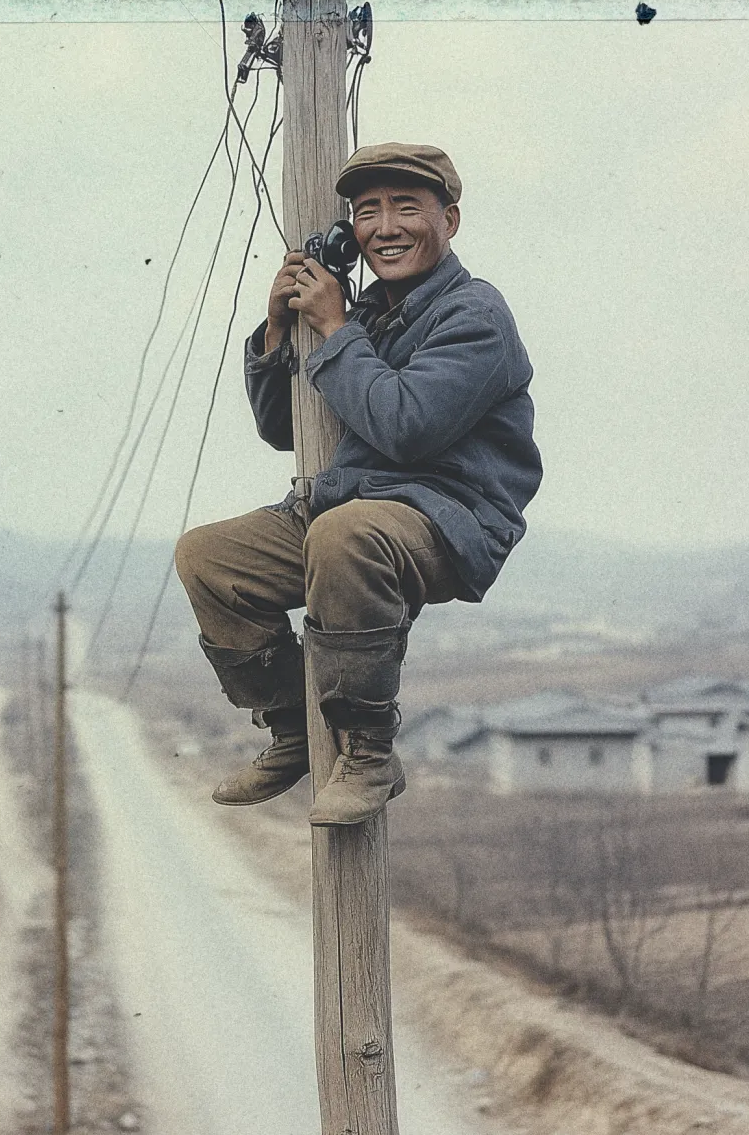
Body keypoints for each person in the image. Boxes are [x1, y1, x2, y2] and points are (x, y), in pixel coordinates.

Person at [174, 142, 541, 826]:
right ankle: (296, 730)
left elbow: (406, 427)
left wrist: (336, 326)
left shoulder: (475, 315)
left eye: (408, 207)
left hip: (446, 513)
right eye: (367, 211)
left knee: (344, 536)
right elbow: (286, 430)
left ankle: (369, 751)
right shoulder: (363, 313)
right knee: (208, 557)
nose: (386, 227)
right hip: (355, 505)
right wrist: (280, 330)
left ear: (450, 220)